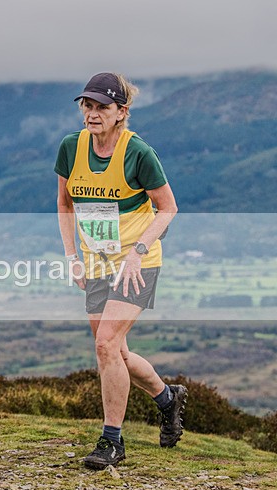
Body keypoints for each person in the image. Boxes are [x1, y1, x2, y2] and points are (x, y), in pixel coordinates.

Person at [55, 72, 188, 469]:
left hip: (137, 263)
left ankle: (112, 441)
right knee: (118, 352)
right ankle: (168, 398)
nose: (92, 114)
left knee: (105, 346)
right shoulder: (70, 148)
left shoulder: (138, 153)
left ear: (121, 112)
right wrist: (71, 255)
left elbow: (168, 208)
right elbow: (64, 204)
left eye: (102, 107)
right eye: (87, 106)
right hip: (97, 261)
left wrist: (138, 251)